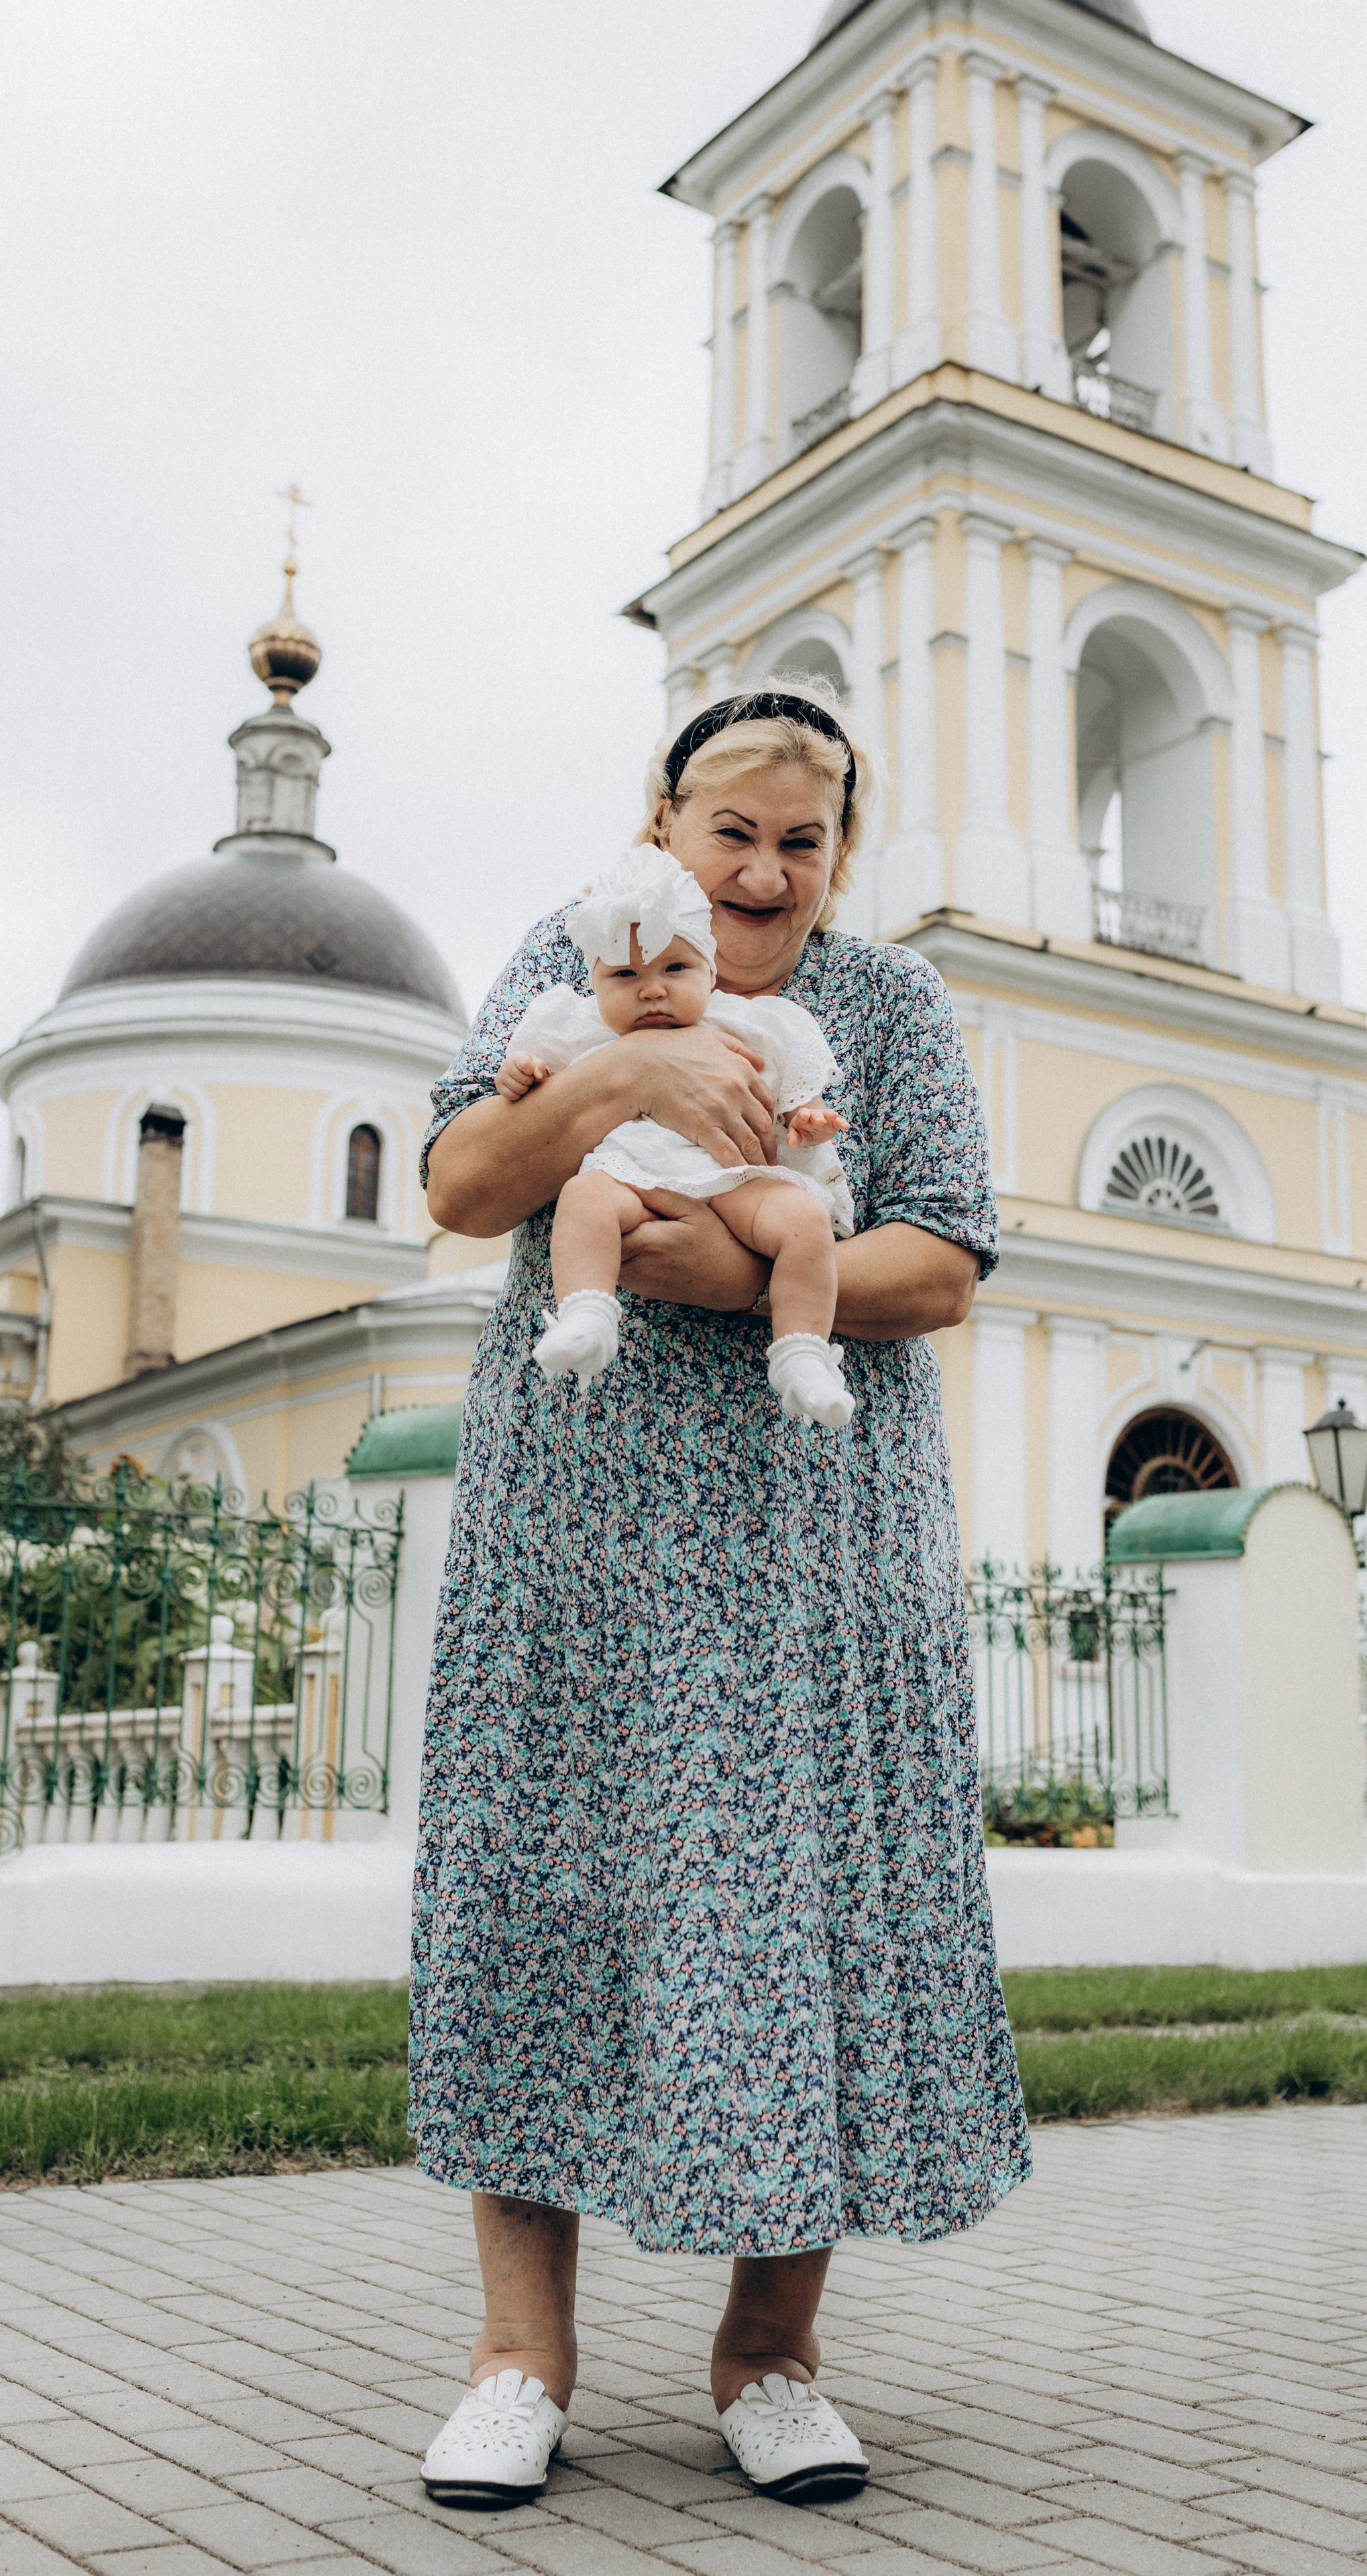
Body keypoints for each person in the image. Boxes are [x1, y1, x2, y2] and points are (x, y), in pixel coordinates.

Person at [414, 680, 1031, 2512]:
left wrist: (706, 1271)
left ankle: (773, 2359)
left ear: (839, 856)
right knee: (539, 1892)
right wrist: (622, 1077)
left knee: (800, 1917)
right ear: (665, 827)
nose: (763, 870)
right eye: (732, 831)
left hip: (804, 1561)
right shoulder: (564, 955)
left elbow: (941, 1260)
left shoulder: (890, 1006)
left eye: (802, 839)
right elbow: (462, 1182)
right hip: (577, 1547)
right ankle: (518, 2363)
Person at [496, 842, 856, 1426]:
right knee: (584, 1199)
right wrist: (521, 1073)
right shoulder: (582, 1026)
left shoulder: (746, 1018)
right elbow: (534, 1067)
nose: (652, 988)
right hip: (631, 1174)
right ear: (594, 981)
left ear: (711, 971)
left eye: (675, 968)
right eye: (625, 975)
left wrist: (807, 1115)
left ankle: (804, 1354)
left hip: (733, 1176)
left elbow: (794, 1075)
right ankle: (586, 1311)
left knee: (805, 1223)